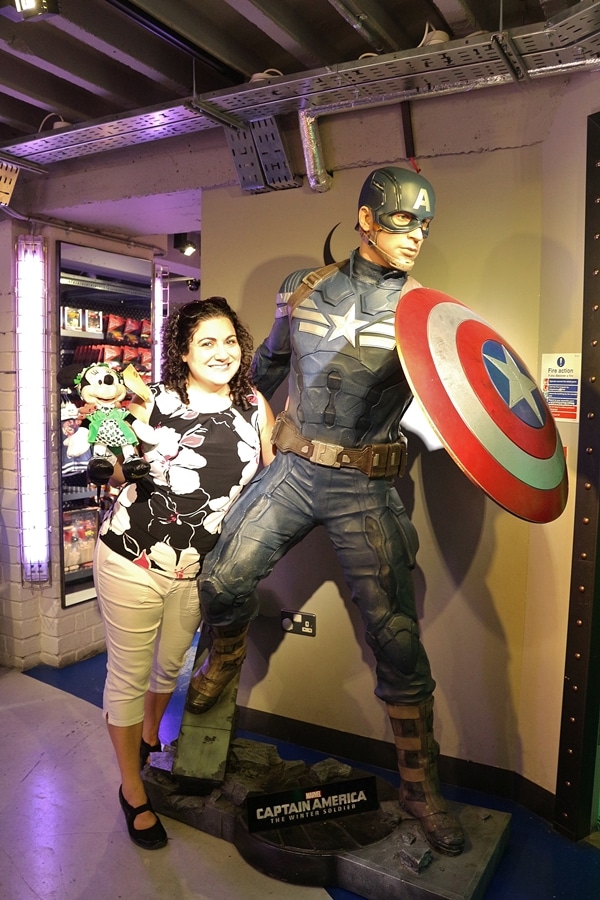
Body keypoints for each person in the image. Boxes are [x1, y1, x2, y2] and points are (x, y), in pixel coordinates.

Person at [186, 166, 466, 857]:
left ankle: (419, 788)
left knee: (396, 638)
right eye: (405, 220)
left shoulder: (425, 313)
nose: (417, 236)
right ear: (367, 218)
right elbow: (269, 372)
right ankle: (221, 660)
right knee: (222, 579)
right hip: (293, 469)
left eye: (425, 224)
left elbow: (462, 408)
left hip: (364, 488)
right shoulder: (303, 290)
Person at [93, 296, 275, 850]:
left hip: (199, 571)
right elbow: (114, 455)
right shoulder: (156, 400)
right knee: (128, 675)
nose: (222, 353)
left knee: (169, 667)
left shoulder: (253, 404)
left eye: (229, 341)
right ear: (183, 352)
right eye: (206, 343)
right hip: (132, 559)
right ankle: (132, 790)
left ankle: (149, 738)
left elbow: (268, 483)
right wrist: (115, 455)